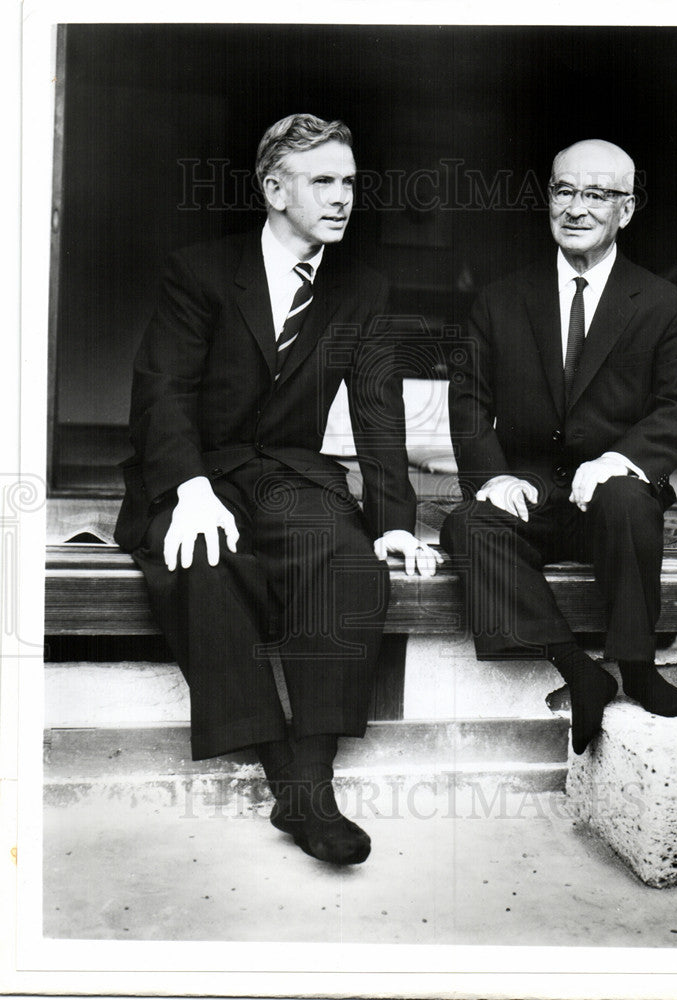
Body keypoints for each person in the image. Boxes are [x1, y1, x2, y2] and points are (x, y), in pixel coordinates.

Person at [114, 113, 441, 865]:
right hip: (197, 467)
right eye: (322, 180)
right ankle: (286, 782)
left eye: (349, 182)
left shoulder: (362, 287)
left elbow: (376, 407)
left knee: (349, 562)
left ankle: (314, 778)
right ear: (272, 189)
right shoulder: (200, 271)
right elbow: (161, 391)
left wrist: (393, 519)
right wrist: (186, 486)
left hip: (288, 473)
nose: (341, 198)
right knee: (203, 564)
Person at [441, 139, 677, 755]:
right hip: (532, 488)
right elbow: (470, 404)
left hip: (611, 497)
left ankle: (636, 666)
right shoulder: (501, 299)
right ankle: (577, 669)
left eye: (597, 195)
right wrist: (493, 477)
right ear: (549, 200)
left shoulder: (666, 306)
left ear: (627, 210)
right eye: (564, 191)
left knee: (628, 500)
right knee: (470, 526)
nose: (577, 208)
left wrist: (618, 461)